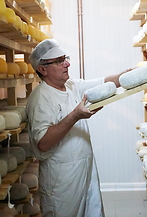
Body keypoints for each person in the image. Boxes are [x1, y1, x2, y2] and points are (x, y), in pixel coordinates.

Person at [26, 39, 131, 217]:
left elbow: (103, 82)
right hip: (61, 178)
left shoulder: (70, 86)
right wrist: (75, 115)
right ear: (42, 69)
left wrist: (126, 76)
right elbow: (43, 143)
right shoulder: (40, 98)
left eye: (64, 58)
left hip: (85, 169)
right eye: (58, 61)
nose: (67, 63)